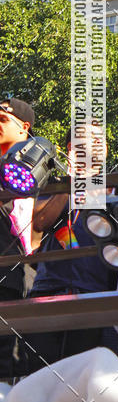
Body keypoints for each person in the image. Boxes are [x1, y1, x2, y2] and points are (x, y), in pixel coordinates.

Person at [25, 127, 118, 372]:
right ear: (72, 148)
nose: (96, 144)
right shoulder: (55, 182)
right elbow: (39, 223)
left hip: (97, 298)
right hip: (48, 292)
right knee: (43, 381)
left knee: (86, 382)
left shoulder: (116, 187)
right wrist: (70, 183)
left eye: (100, 139)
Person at [0, 99, 36, 377]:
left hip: (13, 271)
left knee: (6, 360)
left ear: (24, 127)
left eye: (2, 119)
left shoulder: (33, 167)